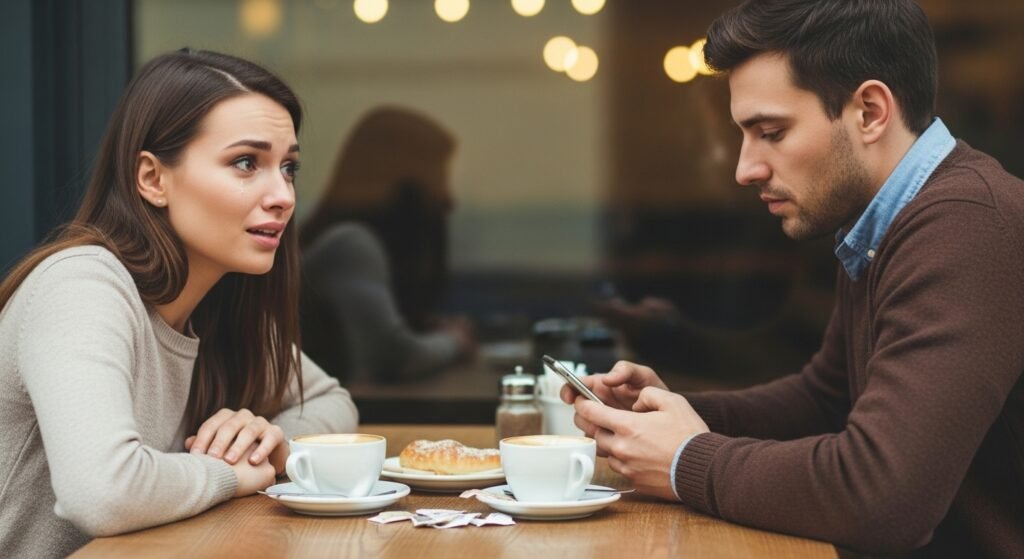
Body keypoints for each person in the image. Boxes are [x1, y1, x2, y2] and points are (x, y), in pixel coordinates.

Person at [561, 1, 1024, 556]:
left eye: (771, 132)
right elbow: (826, 398)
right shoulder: (888, 217)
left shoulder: (966, 225)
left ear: (871, 112)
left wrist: (686, 460)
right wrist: (671, 414)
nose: (745, 168)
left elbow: (882, 498)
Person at [0, 49, 359, 558]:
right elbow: (102, 493)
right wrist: (233, 472)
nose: (282, 194)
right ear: (152, 178)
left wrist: (268, 440)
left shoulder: (220, 301)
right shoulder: (81, 287)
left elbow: (330, 402)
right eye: (245, 163)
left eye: (288, 167)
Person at [299, 107, 473, 382]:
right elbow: (392, 356)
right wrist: (454, 341)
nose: (448, 198)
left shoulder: (352, 242)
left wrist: (425, 330)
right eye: (440, 175)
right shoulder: (351, 245)